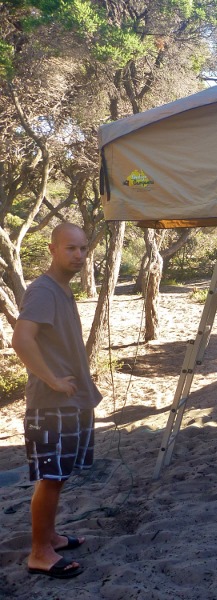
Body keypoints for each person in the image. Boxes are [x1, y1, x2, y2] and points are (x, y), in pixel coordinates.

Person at [11, 222, 103, 579]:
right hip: (50, 406)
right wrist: (52, 379)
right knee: (50, 478)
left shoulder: (61, 289)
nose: (78, 255)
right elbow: (21, 340)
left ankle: (50, 537)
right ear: (52, 249)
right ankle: (39, 553)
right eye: (70, 248)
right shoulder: (44, 291)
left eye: (82, 248)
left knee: (59, 477)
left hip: (70, 403)